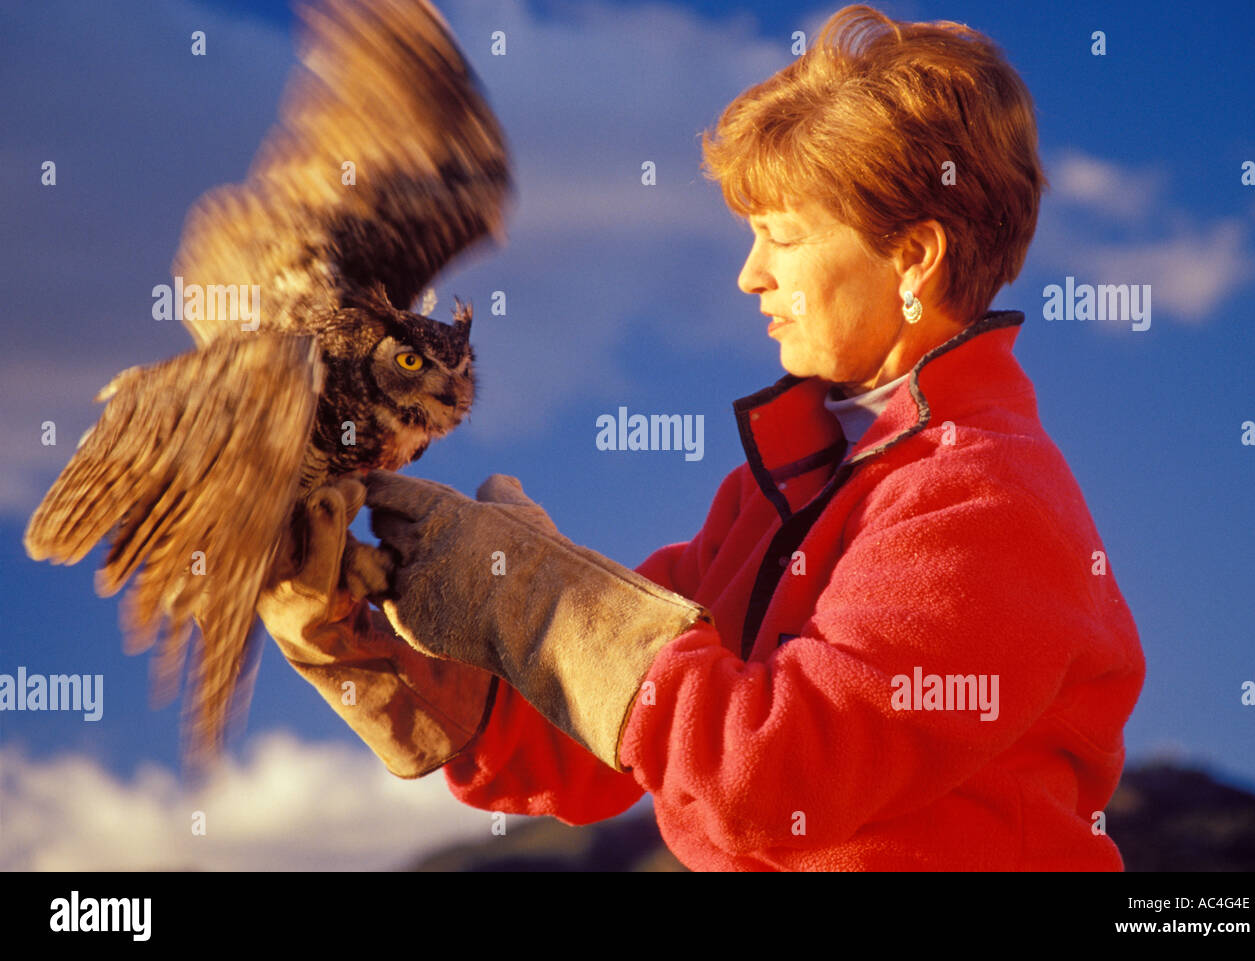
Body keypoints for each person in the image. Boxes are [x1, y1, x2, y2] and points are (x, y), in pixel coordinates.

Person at [257, 4, 1145, 871]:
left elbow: (774, 771)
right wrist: (380, 652)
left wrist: (541, 600)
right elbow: (601, 739)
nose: (750, 273)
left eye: (781, 236)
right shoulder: (779, 489)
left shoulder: (984, 498)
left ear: (914, 256)